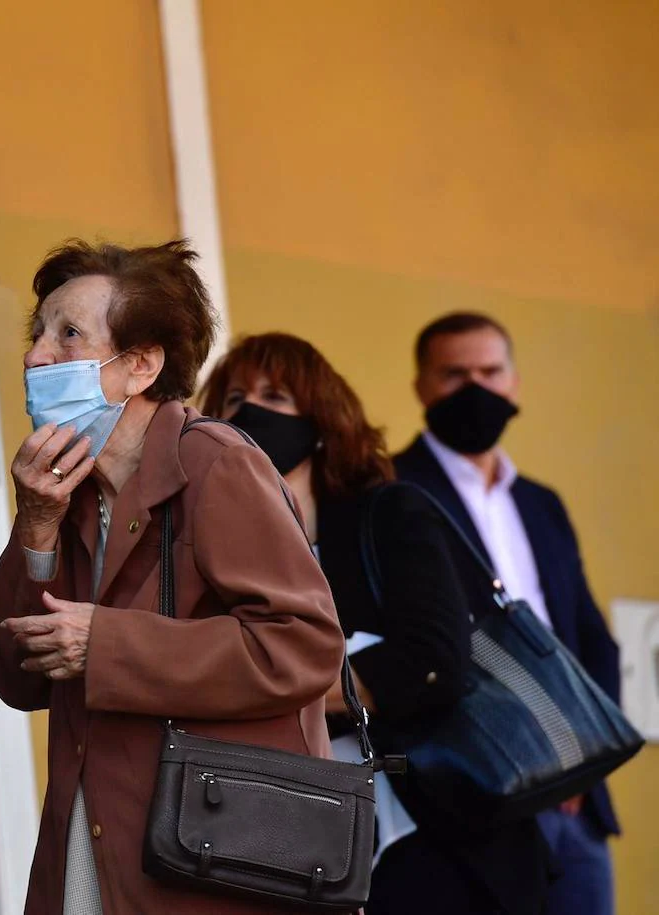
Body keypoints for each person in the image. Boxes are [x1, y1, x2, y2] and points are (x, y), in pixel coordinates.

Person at [0, 241, 343, 915]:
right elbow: (16, 675)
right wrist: (34, 526)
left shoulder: (214, 462)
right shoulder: (68, 489)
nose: (36, 356)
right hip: (96, 848)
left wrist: (110, 644)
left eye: (67, 334)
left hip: (215, 862)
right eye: (36, 335)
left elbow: (305, 645)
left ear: (141, 365)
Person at [201, 332, 551, 915]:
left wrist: (272, 688)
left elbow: (433, 659)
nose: (249, 412)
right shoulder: (213, 553)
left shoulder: (387, 515)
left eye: (276, 396)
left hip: (430, 833)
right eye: (233, 400)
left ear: (319, 422)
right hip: (291, 841)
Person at [394, 312, 622, 915]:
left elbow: (589, 638)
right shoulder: (391, 490)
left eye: (490, 371)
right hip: (473, 799)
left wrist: (584, 757)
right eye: (454, 374)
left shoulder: (542, 504)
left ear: (514, 382)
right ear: (421, 386)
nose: (475, 387)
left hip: (577, 799)